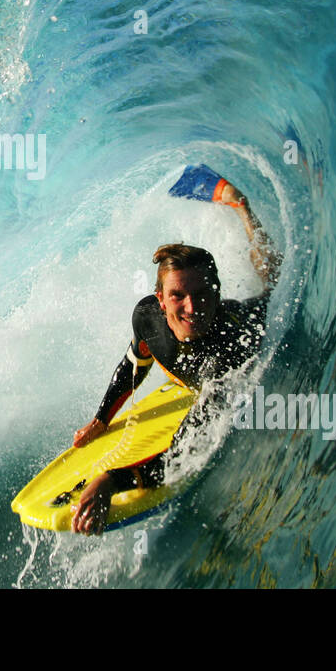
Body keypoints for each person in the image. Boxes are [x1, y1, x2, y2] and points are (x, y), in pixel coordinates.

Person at [70, 176, 281, 534]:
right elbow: (134, 363)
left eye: (202, 293)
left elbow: (179, 456)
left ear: (216, 293)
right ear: (159, 299)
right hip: (190, 356)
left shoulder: (224, 357)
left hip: (247, 318)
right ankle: (235, 200)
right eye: (177, 296)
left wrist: (110, 481)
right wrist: (102, 418)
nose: (192, 307)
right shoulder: (147, 317)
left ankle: (241, 206)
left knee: (270, 288)